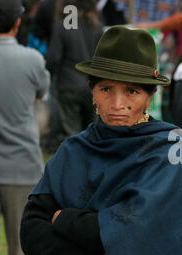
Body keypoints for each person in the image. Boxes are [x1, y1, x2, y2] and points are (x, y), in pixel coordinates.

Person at [20, 25, 182, 255]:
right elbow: (33, 235)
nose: (117, 103)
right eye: (106, 88)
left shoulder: (169, 150)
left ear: (150, 96)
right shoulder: (73, 151)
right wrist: (112, 249)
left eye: (131, 91)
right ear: (91, 91)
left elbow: (147, 235)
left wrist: (67, 220)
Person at [0, 0, 50, 255]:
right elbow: (41, 92)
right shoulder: (31, 59)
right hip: (21, 165)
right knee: (21, 249)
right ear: (17, 24)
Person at [44, 0, 103, 151]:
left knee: (72, 137)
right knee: (92, 136)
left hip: (68, 86)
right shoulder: (96, 26)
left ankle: (76, 169)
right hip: (93, 87)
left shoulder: (64, 25)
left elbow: (53, 59)